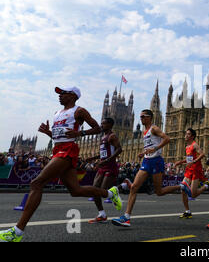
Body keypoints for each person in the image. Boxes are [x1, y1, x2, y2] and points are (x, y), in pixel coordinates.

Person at [0, 86, 122, 242]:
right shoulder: (57, 113)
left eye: (62, 93)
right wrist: (48, 133)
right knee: (76, 190)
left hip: (68, 151)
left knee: (37, 183)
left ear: (72, 96)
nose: (59, 96)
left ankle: (17, 232)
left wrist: (80, 133)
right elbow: (59, 137)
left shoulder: (79, 111)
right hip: (57, 150)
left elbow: (97, 128)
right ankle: (111, 193)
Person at [112, 110, 183, 227]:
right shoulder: (144, 132)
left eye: (143, 116)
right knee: (134, 187)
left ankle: (181, 186)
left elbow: (167, 138)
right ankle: (126, 217)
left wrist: (155, 149)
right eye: (140, 116)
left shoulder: (154, 128)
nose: (141, 118)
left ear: (149, 118)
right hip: (147, 160)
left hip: (156, 161)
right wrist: (143, 153)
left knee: (159, 192)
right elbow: (149, 146)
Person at [87, 118, 127, 224]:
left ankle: (121, 187)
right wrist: (91, 158)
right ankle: (102, 214)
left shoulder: (112, 136)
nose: (101, 125)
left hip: (110, 166)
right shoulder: (103, 137)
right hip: (102, 166)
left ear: (109, 125)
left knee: (103, 191)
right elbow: (103, 153)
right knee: (94, 190)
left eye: (103, 124)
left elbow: (119, 149)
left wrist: (108, 160)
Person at [174, 128, 209, 219]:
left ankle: (206, 186)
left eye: (188, 134)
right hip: (189, 170)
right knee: (183, 189)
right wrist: (180, 162)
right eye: (186, 134)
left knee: (193, 194)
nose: (186, 135)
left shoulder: (195, 145)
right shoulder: (187, 147)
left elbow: (202, 154)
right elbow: (188, 159)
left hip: (195, 170)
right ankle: (187, 211)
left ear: (192, 136)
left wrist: (195, 161)